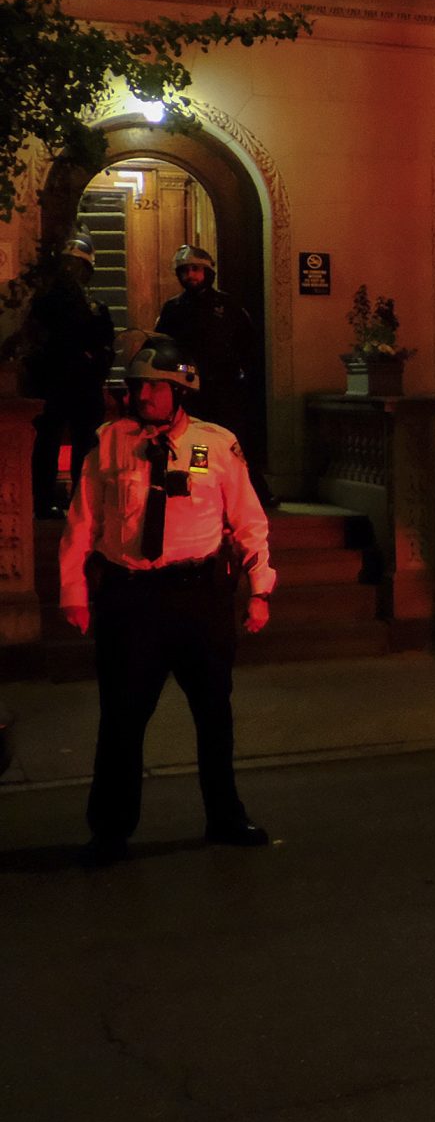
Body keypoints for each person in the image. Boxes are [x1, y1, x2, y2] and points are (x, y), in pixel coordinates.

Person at [60, 336, 276, 867]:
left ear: (181, 389)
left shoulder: (217, 445)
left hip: (199, 597)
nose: (144, 394)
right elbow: (81, 523)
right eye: (138, 385)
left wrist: (260, 589)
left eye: (155, 385)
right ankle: (110, 831)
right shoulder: (108, 444)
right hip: (131, 601)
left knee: (213, 715)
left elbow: (248, 520)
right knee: (121, 721)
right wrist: (74, 593)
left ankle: (224, 816)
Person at [22, 233, 117, 516]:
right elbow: (36, 341)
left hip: (84, 386)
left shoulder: (96, 307)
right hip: (54, 384)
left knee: (85, 447)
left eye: (77, 266)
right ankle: (42, 503)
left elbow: (106, 345)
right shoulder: (45, 303)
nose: (71, 271)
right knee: (47, 444)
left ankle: (81, 503)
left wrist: (96, 364)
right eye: (67, 265)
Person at [153, 243, 259, 451]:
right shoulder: (173, 309)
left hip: (224, 387)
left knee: (225, 438)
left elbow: (248, 344)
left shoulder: (228, 305)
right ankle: (197, 478)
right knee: (193, 439)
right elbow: (163, 346)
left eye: (195, 269)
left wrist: (241, 376)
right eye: (184, 270)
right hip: (187, 386)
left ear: (207, 272)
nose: (190, 275)